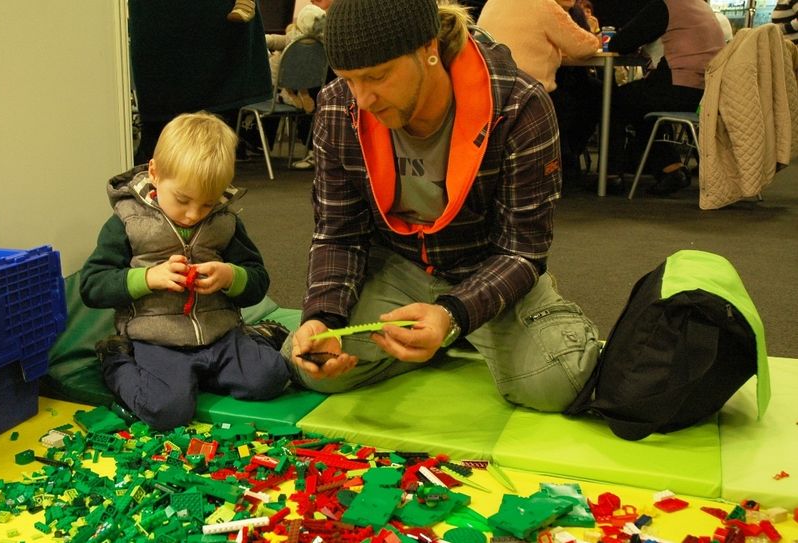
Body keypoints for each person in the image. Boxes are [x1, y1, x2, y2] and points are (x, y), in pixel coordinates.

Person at [283, 0, 601, 413]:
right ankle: (433, 342)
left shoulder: (519, 105)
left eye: (377, 76)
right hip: (400, 268)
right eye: (349, 80)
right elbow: (339, 234)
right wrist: (324, 317)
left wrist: (453, 315)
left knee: (562, 381)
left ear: (428, 49)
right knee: (310, 361)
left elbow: (522, 252)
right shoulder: (337, 107)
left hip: (485, 267)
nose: (363, 99)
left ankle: (453, 334)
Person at [81, 112, 291, 430]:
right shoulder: (128, 221)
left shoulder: (225, 221)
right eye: (182, 199)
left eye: (207, 204)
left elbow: (258, 279)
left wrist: (231, 277)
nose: (193, 215)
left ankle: (251, 342)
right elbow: (92, 285)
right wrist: (147, 278)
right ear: (155, 173)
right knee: (167, 411)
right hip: (157, 340)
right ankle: (116, 358)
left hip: (219, 334)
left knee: (271, 378)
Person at [604, 0, 725, 195]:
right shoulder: (700, 6)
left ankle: (611, 178)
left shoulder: (666, 6)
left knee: (613, 100)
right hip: (706, 91)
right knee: (638, 102)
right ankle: (671, 169)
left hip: (681, 87)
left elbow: (620, 43)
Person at [477, 0, 601, 186]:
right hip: (528, 97)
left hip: (487, 92)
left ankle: (564, 162)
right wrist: (596, 37)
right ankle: (565, 164)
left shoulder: (493, 2)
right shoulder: (542, 5)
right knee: (587, 96)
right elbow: (583, 46)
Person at [266, 4, 328, 113]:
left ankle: (286, 94)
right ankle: (304, 95)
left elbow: (275, 41)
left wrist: (263, 39)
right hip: (309, 81)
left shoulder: (292, 38)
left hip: (281, 78)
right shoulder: (321, 43)